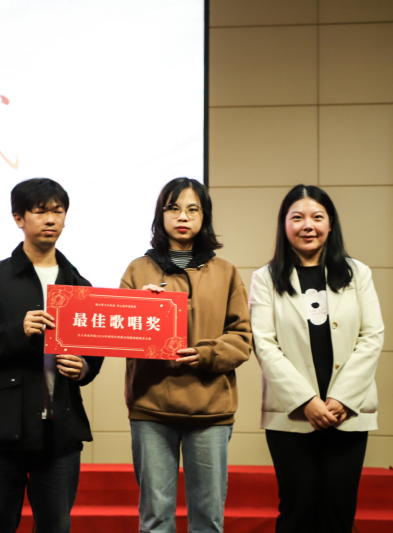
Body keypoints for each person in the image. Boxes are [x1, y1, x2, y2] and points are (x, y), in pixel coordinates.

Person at [0, 177, 104, 533]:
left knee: (56, 526)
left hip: (59, 431)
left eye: (58, 211)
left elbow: (94, 350)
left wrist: (84, 367)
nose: (50, 219)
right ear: (19, 218)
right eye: (40, 211)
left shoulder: (79, 285)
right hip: (1, 428)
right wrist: (17, 331)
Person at [119, 177, 252, 533]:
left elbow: (242, 338)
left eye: (193, 209)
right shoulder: (137, 270)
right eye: (174, 208)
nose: (183, 217)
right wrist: (141, 310)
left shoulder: (226, 272)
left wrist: (207, 354)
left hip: (210, 410)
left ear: (204, 216)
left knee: (208, 520)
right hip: (151, 407)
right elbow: (119, 334)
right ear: (160, 215)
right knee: (155, 519)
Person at [249, 184, 384, 533]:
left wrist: (342, 398)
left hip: (347, 412)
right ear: (284, 225)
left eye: (317, 217)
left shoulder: (358, 273)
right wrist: (306, 400)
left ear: (330, 223)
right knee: (297, 510)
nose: (307, 225)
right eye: (297, 218)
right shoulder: (265, 279)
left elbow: (372, 337)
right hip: (292, 415)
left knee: (338, 512)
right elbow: (265, 344)